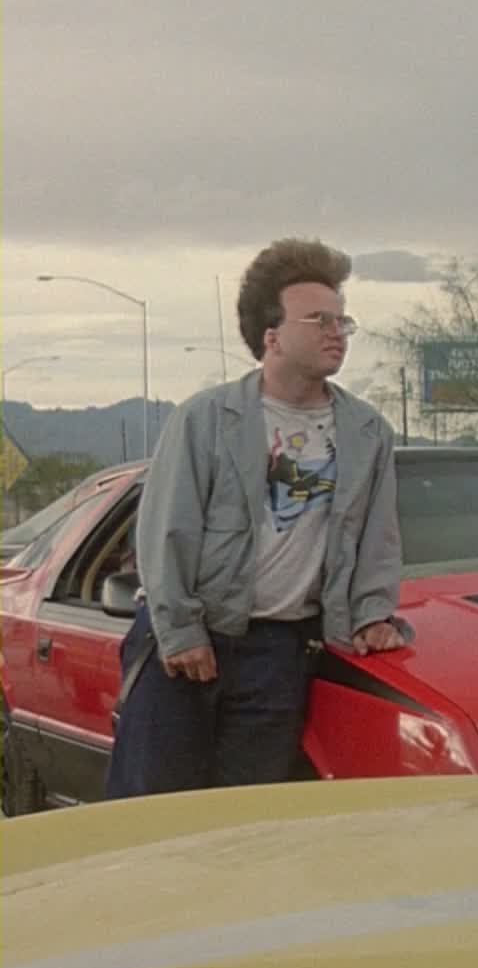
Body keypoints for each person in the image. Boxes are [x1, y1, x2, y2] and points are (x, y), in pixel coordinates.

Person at [104, 239, 410, 798]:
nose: (336, 332)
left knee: (249, 813)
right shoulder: (205, 418)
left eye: (342, 321)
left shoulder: (368, 431)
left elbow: (376, 538)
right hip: (193, 639)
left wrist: (371, 614)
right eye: (318, 320)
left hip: (280, 652)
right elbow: (165, 531)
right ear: (271, 337)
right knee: (155, 810)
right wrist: (180, 632)